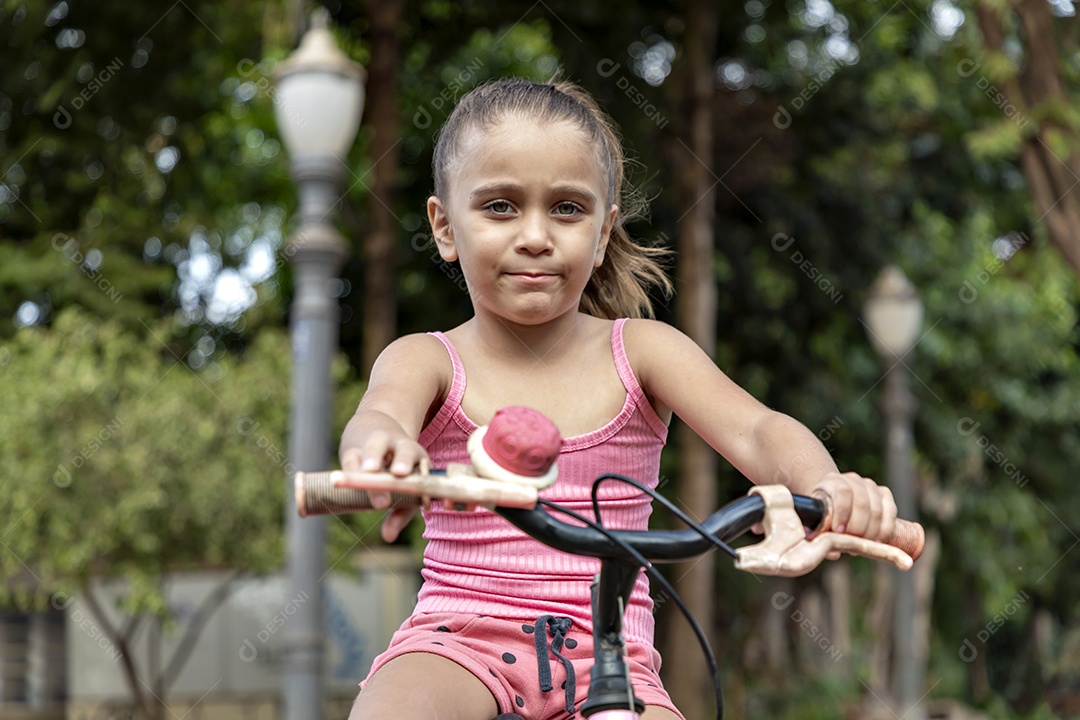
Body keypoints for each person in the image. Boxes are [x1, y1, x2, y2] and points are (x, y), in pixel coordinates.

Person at [340, 77, 897, 720]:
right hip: (458, 642)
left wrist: (827, 487)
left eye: (568, 209)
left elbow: (757, 431)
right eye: (499, 206)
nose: (535, 236)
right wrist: (380, 450)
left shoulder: (643, 352)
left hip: (612, 658)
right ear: (443, 226)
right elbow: (379, 414)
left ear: (603, 233)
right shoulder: (429, 358)